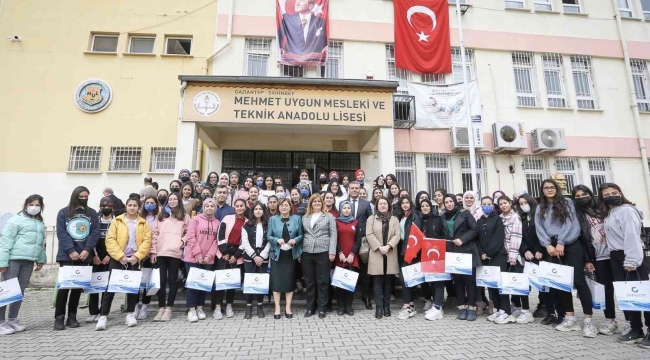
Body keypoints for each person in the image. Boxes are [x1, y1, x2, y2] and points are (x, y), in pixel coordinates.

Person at [535, 179, 595, 338]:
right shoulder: (540, 207)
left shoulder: (567, 202)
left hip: (570, 244)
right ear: (542, 190)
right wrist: (547, 245)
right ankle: (570, 318)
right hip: (551, 247)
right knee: (561, 283)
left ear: (557, 189)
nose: (549, 190)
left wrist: (561, 241)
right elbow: (539, 227)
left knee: (579, 281)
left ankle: (589, 321)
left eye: (551, 187)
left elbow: (572, 223)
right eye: (546, 187)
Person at [600, 183, 650, 347]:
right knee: (627, 296)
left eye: (614, 192)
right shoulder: (611, 213)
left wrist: (631, 260)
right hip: (616, 256)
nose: (611, 196)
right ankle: (636, 329)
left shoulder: (627, 210)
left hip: (629, 255)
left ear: (621, 193)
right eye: (607, 194)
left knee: (641, 295)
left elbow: (631, 236)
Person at [96, 197, 151, 330]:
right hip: (118, 258)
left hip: (134, 259)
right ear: (126, 206)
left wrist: (137, 256)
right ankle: (103, 316)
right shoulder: (117, 221)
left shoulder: (143, 223)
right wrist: (119, 256)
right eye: (130, 205)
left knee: (132, 288)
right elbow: (110, 240)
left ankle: (130, 314)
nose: (132, 207)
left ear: (138, 207)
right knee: (111, 287)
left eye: (135, 205)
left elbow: (146, 242)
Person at [573, 185, 619, 336]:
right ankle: (611, 320)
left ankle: (633, 323)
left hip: (616, 253)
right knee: (606, 290)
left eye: (584, 194)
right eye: (577, 196)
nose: (581, 197)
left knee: (623, 288)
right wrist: (587, 260)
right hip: (598, 257)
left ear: (591, 194)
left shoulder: (603, 208)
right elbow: (581, 239)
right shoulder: (578, 214)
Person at [54, 186, 100, 330]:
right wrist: (70, 250)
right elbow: (61, 233)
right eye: (81, 196)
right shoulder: (63, 212)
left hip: (84, 255)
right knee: (64, 288)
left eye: (87, 196)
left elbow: (95, 232)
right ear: (75, 196)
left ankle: (72, 316)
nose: (84, 199)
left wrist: (87, 250)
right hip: (67, 255)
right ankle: (59, 317)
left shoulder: (92, 213)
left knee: (76, 288)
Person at [0, 195, 47, 334]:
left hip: (29, 260)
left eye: (38, 205)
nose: (34, 207)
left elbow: (40, 243)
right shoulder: (15, 220)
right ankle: (1, 322)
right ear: (25, 205)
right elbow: (5, 241)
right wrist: (2, 262)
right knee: (7, 291)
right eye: (32, 204)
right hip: (13, 259)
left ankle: (12, 319)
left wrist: (40, 259)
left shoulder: (39, 223)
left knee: (19, 291)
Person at [151, 192, 190, 322]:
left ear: (179, 201)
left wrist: (182, 242)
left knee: (173, 281)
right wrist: (153, 251)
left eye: (175, 199)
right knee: (161, 281)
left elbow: (188, 232)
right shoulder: (160, 216)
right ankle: (161, 307)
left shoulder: (184, 216)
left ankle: (169, 308)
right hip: (161, 252)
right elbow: (154, 234)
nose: (172, 201)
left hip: (175, 252)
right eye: (170, 199)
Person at [440, 194, 479, 321]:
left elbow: (475, 229)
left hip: (466, 250)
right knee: (458, 282)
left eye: (451, 201)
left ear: (455, 202)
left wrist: (462, 239)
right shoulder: (442, 217)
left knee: (470, 281)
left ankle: (472, 308)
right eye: (447, 202)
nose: (449, 204)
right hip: (452, 252)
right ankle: (462, 307)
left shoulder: (465, 213)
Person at [498, 195, 534, 324]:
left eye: (505, 203)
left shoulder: (515, 217)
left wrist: (512, 256)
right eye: (501, 204)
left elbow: (516, 237)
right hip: (504, 255)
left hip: (515, 256)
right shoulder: (500, 218)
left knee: (520, 283)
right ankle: (517, 308)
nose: (503, 205)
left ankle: (526, 310)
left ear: (510, 203)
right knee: (510, 284)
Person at [476, 196, 512, 324]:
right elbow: (478, 239)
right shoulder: (479, 221)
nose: (486, 206)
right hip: (485, 257)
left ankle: (506, 311)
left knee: (500, 284)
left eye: (489, 204)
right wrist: (482, 253)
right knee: (491, 286)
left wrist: (489, 253)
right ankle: (497, 309)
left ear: (492, 206)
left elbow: (498, 238)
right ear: (481, 206)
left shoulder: (497, 219)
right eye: (484, 204)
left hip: (498, 256)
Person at [301, 194, 337, 319]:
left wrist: (332, 251)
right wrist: (300, 252)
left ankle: (322, 308)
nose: (316, 203)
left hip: (323, 251)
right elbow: (302, 234)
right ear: (310, 203)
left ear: (322, 203)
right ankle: (310, 308)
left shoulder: (328, 216)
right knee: (309, 281)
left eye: (318, 201)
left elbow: (333, 235)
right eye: (314, 201)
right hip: (307, 251)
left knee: (323, 281)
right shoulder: (305, 217)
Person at [518, 193, 552, 323]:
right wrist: (525, 250)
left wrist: (540, 249)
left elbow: (543, 233)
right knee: (528, 280)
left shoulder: (539, 215)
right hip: (528, 254)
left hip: (541, 253)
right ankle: (526, 310)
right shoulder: (522, 218)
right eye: (520, 204)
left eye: (525, 203)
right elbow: (519, 236)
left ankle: (545, 306)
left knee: (543, 282)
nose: (523, 206)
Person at [184, 198, 219, 323]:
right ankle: (191, 310)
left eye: (212, 206)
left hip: (208, 259)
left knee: (204, 284)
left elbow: (217, 241)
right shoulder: (195, 219)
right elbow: (190, 237)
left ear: (215, 208)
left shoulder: (217, 223)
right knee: (193, 285)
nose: (209, 208)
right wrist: (198, 254)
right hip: (193, 258)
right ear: (203, 207)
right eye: (207, 206)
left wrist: (209, 256)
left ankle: (200, 308)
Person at [268, 198, 303, 318]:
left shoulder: (297, 218)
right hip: (277, 255)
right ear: (278, 207)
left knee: (289, 281)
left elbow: (301, 235)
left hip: (291, 255)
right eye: (281, 205)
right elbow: (268, 236)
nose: (284, 207)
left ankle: (288, 307)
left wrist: (296, 240)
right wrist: (276, 240)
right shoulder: (272, 219)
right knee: (276, 282)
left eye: (286, 205)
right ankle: (277, 307)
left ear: (290, 207)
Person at [366, 196, 400, 319]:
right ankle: (379, 308)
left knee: (388, 282)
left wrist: (388, 246)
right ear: (377, 206)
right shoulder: (371, 219)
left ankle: (387, 307)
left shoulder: (394, 219)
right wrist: (379, 247)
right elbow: (369, 234)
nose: (383, 206)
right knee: (377, 282)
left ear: (389, 206)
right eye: (381, 204)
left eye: (385, 203)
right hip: (377, 253)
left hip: (389, 253)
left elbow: (397, 235)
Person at [214, 198, 248, 319]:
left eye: (241, 206)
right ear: (234, 207)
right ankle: (217, 307)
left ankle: (229, 306)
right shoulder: (227, 218)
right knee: (221, 281)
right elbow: (220, 234)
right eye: (237, 206)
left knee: (231, 283)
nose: (239, 208)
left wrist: (235, 256)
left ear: (245, 207)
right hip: (223, 252)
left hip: (237, 254)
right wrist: (224, 252)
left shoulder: (248, 222)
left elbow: (245, 242)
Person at [85, 197, 115, 323]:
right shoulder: (94, 221)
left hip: (111, 257)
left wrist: (109, 255)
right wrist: (94, 255)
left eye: (108, 205)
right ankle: (93, 311)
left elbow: (118, 240)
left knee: (106, 285)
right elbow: (90, 238)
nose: (105, 207)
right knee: (94, 284)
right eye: (103, 205)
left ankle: (103, 311)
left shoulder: (117, 221)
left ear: (112, 207)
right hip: (95, 257)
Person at [241, 202, 270, 319]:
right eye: (256, 209)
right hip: (250, 257)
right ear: (252, 211)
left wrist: (262, 256)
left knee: (260, 282)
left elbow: (269, 241)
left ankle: (260, 306)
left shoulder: (268, 225)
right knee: (249, 282)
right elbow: (245, 243)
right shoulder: (246, 225)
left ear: (264, 211)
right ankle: (248, 307)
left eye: (260, 209)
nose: (258, 211)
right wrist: (254, 256)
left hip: (263, 257)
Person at [348, 182, 373, 309]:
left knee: (364, 271)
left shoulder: (366, 203)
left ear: (360, 190)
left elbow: (371, 220)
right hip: (348, 241)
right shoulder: (343, 203)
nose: (354, 190)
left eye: (356, 188)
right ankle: (348, 300)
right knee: (349, 270)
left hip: (363, 242)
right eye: (352, 188)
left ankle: (366, 297)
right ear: (348, 190)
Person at [396, 197, 422, 320]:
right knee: (406, 277)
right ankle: (410, 305)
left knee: (405, 277)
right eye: (403, 203)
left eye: (407, 202)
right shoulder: (402, 216)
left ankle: (407, 306)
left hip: (410, 250)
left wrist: (413, 250)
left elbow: (416, 233)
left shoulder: (414, 215)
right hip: (401, 249)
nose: (405, 205)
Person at [420, 199, 446, 321]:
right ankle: (437, 307)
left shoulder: (437, 219)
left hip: (437, 252)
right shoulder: (419, 219)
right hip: (425, 253)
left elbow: (443, 234)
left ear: (431, 207)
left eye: (427, 206)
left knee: (438, 280)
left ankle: (437, 306)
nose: (425, 208)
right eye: (422, 206)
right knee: (430, 280)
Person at [334, 201, 361, 316]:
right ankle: (340, 306)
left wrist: (352, 254)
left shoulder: (355, 222)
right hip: (339, 256)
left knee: (350, 282)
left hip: (351, 257)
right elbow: (333, 238)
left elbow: (358, 239)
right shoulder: (336, 222)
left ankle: (349, 306)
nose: (346, 210)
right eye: (344, 208)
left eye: (348, 208)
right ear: (340, 209)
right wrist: (339, 252)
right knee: (340, 283)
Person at [135, 195, 157, 319]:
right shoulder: (139, 217)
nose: (149, 204)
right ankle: (134, 306)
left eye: (152, 202)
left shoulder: (158, 218)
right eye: (147, 202)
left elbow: (156, 236)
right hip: (138, 253)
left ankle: (144, 306)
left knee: (148, 281)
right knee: (136, 281)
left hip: (151, 253)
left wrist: (151, 251)